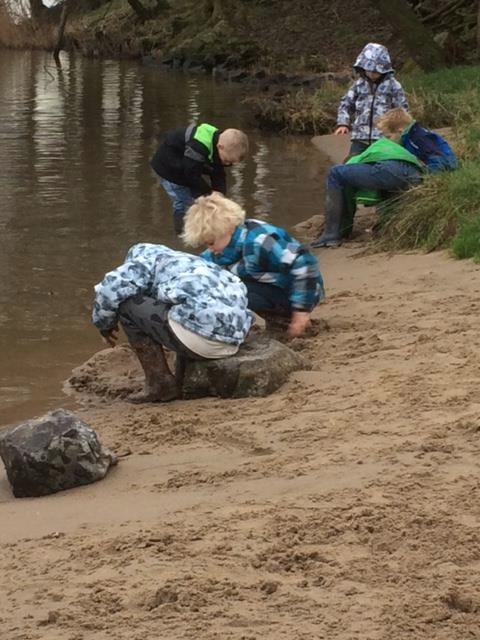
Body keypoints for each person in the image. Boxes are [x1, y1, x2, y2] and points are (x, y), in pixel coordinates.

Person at [92, 243, 253, 402]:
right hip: (233, 342)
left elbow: (109, 290)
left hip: (203, 341)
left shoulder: (143, 262)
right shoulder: (193, 262)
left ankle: (159, 384)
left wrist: (104, 326)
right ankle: (182, 368)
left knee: (127, 306)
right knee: (177, 306)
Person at [182, 192, 325, 338]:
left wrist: (301, 311)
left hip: (303, 291)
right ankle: (277, 320)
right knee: (215, 282)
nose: (210, 249)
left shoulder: (261, 240)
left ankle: (287, 317)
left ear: (229, 228)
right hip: (269, 286)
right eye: (205, 244)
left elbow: (304, 263)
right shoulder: (217, 251)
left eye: (211, 242)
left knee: (236, 289)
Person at [311, 108, 457, 248]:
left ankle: (331, 234)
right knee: (387, 190)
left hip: (407, 172)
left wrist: (426, 177)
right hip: (407, 173)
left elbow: (444, 161)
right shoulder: (416, 134)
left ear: (400, 131)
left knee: (336, 173)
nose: (387, 140)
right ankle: (383, 227)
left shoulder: (417, 137)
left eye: (388, 136)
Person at [150, 123, 249, 235]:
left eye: (230, 163)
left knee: (203, 198)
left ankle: (200, 230)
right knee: (184, 202)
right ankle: (183, 234)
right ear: (220, 147)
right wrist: (207, 195)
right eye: (226, 161)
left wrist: (219, 193)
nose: (227, 164)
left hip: (187, 165)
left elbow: (217, 171)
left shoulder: (219, 144)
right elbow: (191, 175)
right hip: (168, 167)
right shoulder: (198, 146)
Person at [334, 43, 409, 157]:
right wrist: (343, 123)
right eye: (368, 70)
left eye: (375, 71)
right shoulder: (359, 84)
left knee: (380, 164)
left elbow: (402, 110)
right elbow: (346, 103)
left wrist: (400, 132)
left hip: (383, 137)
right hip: (360, 137)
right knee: (352, 164)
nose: (371, 74)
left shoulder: (393, 85)